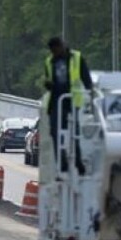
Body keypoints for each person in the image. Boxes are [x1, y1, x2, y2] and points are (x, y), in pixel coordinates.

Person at [44, 36, 93, 174]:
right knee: (55, 132)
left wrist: (90, 93)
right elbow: (49, 79)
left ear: (61, 46)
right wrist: (48, 85)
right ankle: (62, 162)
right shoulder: (49, 61)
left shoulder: (76, 58)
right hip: (56, 101)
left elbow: (86, 78)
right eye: (52, 51)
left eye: (56, 50)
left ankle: (78, 161)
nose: (54, 53)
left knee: (74, 132)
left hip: (72, 100)